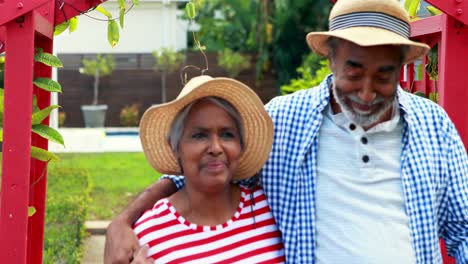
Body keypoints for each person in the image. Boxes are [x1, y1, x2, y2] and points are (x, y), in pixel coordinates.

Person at [105, 0, 468, 263]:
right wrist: (122, 221)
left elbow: (463, 227)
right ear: (330, 57)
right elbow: (199, 167)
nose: (367, 92)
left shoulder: (433, 126)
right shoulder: (284, 119)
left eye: (384, 76)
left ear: (402, 64)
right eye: (354, 73)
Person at [119, 75, 285, 263]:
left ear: (241, 146)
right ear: (175, 148)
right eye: (199, 135)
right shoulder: (148, 237)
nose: (215, 148)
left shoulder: (271, 210)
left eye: (227, 135)